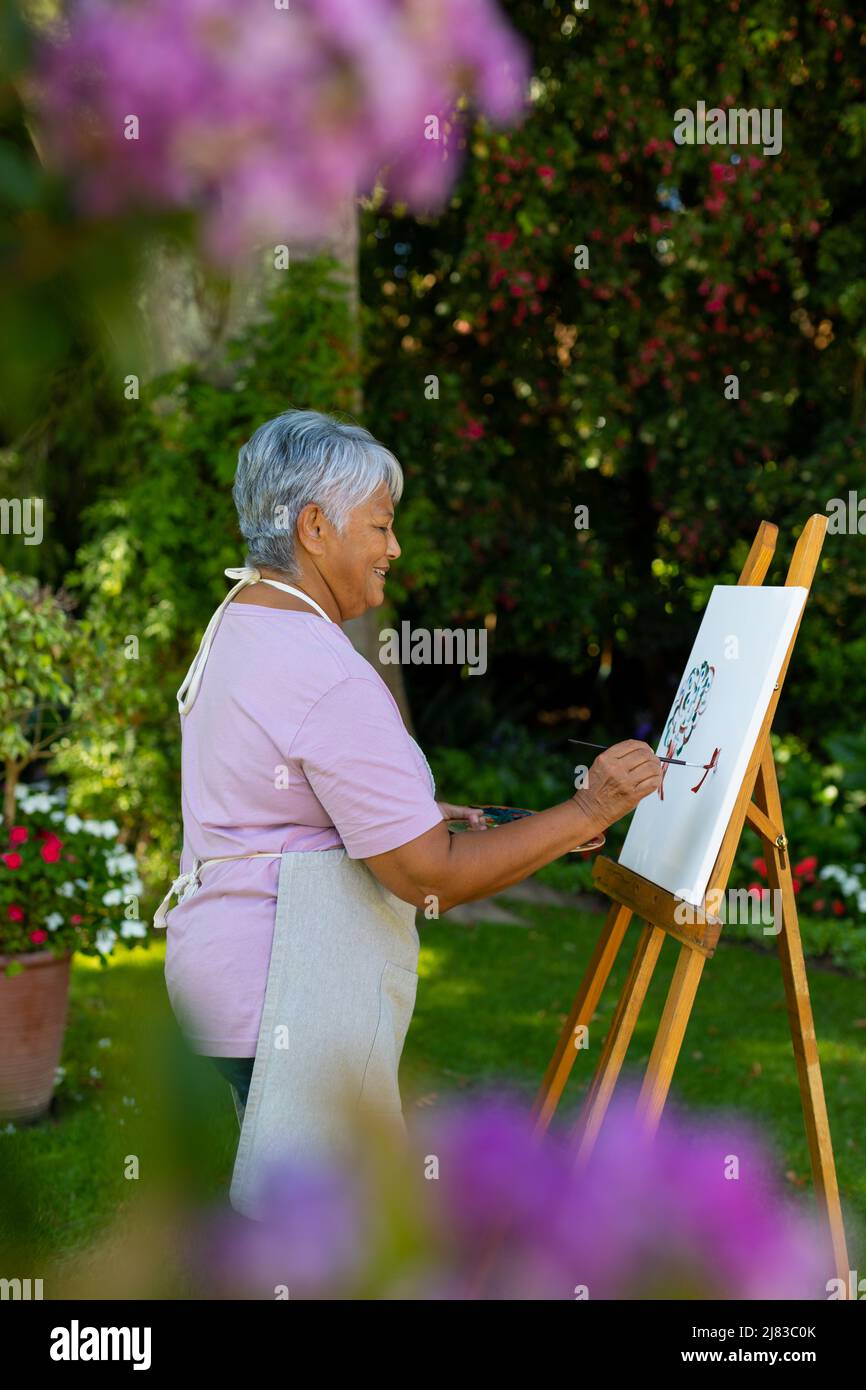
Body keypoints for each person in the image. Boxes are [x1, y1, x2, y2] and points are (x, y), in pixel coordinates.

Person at [154, 408, 661, 1182]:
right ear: (315, 527)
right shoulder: (322, 667)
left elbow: (284, 793)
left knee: (289, 1230)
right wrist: (589, 810)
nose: (394, 548)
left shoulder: (244, 618)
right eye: (381, 526)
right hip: (286, 998)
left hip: (226, 983)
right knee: (328, 1247)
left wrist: (407, 810)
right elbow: (429, 876)